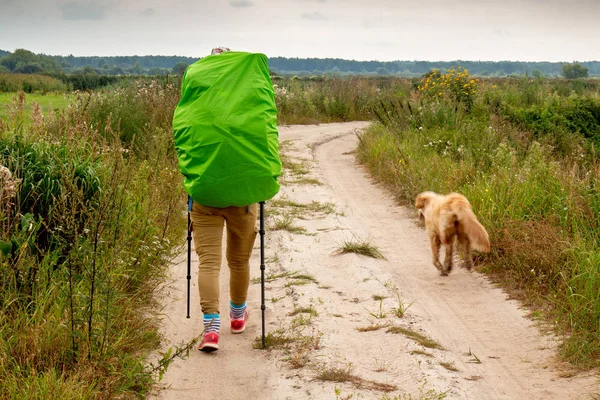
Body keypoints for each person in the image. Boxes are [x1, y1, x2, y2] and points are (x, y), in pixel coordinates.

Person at [191, 202, 258, 352]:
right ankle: (238, 317)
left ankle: (211, 331)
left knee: (209, 263)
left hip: (205, 197)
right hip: (243, 198)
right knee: (239, 261)